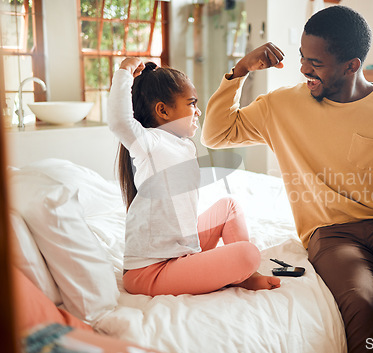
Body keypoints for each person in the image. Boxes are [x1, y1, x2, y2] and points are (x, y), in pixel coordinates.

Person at [201, 5, 373, 353]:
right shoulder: (282, 106)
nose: (304, 69)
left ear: (352, 65)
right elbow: (216, 135)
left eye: (316, 63)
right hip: (330, 232)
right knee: (363, 303)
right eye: (302, 58)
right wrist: (240, 71)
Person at [107, 57, 280, 296]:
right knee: (248, 254)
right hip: (150, 271)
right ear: (163, 111)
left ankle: (245, 275)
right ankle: (244, 271)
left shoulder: (184, 145)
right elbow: (119, 121)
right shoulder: (150, 143)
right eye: (191, 104)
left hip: (181, 250)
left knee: (229, 206)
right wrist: (124, 71)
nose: (198, 111)